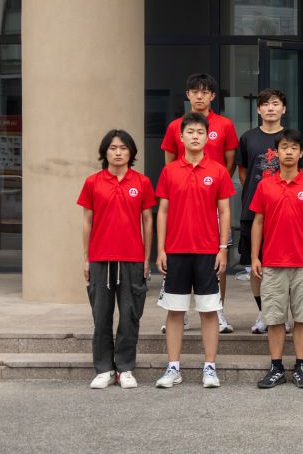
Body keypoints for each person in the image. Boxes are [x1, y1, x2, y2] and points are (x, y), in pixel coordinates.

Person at [154, 112, 235, 389]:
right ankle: (173, 367)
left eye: (201, 132)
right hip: (176, 251)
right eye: (190, 132)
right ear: (181, 136)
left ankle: (210, 367)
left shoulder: (218, 170)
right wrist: (161, 249)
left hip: (207, 252)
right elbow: (162, 211)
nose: (196, 136)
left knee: (209, 311)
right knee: (175, 311)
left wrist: (222, 248)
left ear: (207, 137)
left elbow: (225, 211)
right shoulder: (169, 171)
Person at [160, 73, 239, 334]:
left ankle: (218, 310)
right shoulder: (175, 126)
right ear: (188, 95)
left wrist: (213, 187)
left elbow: (229, 162)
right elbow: (169, 162)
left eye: (205, 92)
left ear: (213, 96)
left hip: (213, 197)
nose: (200, 96)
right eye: (195, 91)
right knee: (177, 254)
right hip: (182, 199)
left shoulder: (225, 125)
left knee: (218, 256)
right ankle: (178, 313)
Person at [77, 129, 156, 389]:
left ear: (131, 152)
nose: (118, 152)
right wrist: (87, 257)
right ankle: (104, 369)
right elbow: (87, 220)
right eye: (113, 148)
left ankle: (125, 368)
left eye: (123, 148)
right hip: (100, 258)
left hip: (132, 258)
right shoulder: (93, 182)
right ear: (105, 152)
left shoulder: (142, 182)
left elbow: (147, 221)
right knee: (101, 316)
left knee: (130, 316)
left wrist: (146, 258)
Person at [250, 129, 303, 390]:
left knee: (302, 317)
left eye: (294, 148)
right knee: (274, 317)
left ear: (301, 153)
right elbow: (258, 222)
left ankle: (301, 366)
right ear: (276, 153)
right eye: (284, 147)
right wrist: (255, 257)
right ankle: (276, 367)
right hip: (273, 263)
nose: (289, 152)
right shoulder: (265, 185)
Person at [237, 88, 285, 335]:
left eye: (275, 103)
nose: (270, 108)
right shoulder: (248, 138)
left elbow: (301, 172)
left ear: (283, 109)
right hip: (253, 211)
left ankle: (281, 314)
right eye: (265, 104)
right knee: (254, 265)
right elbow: (243, 173)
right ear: (258, 109)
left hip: (284, 212)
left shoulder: (291, 137)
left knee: (283, 265)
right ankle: (264, 312)